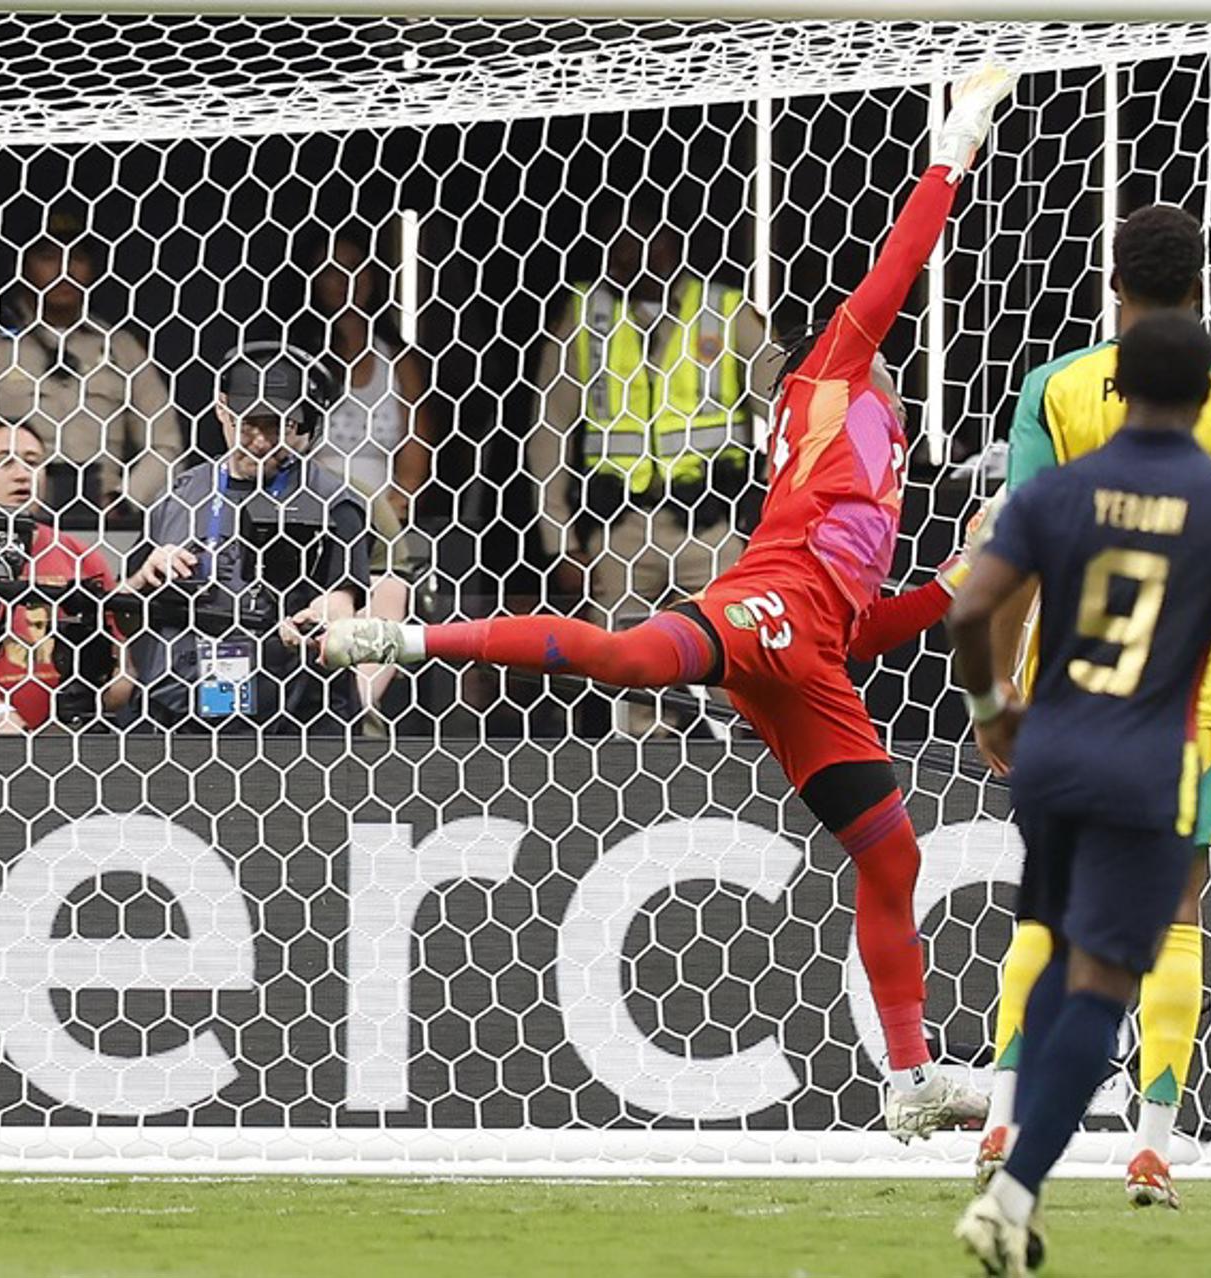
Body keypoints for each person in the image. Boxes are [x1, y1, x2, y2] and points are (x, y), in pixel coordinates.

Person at [315, 65, 1018, 1140]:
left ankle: (913, 1076)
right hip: (764, 602)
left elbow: (856, 629)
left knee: (894, 854)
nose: (847, 352)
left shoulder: (881, 459)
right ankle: (403, 636)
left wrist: (945, 590)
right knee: (635, 661)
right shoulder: (829, 378)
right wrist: (954, 149)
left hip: (812, 657)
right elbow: (899, 269)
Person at [948, 310, 1211, 1276]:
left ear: (1121, 388)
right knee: (1106, 985)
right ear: (1205, 396)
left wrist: (991, 705)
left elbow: (973, 605)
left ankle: (1010, 1149)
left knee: (1053, 955)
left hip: (1051, 757)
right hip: (1150, 766)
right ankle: (1021, 1196)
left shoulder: (1058, 489)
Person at [526, 198, 778, 628]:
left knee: (728, 665)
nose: (635, 251)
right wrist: (560, 542)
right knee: (621, 673)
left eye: (648, 236)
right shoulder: (587, 315)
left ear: (675, 242)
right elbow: (548, 431)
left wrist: (771, 522)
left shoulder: (725, 310)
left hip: (711, 525)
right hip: (620, 529)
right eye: (619, 241)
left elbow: (785, 414)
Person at [123, 343, 369, 732]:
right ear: (221, 408)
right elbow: (125, 606)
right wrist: (145, 577)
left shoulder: (333, 502)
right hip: (179, 716)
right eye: (249, 423)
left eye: (278, 425)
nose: (260, 441)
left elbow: (342, 599)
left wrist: (317, 622)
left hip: (296, 720)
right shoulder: (179, 495)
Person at [0, 210, 187, 515]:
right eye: (48, 256)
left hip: (98, 518)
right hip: (6, 514)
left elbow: (166, 446)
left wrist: (124, 500)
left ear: (93, 268)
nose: (64, 268)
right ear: (23, 265)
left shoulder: (122, 348)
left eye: (77, 257)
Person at [294, 227, 437, 720]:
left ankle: (364, 708)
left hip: (380, 514)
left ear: (374, 279)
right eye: (330, 270)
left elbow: (417, 446)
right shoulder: (299, 356)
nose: (344, 281)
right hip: (310, 511)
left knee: (383, 608)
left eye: (355, 268)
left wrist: (395, 502)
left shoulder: (397, 358)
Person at [0, 419, 135, 733]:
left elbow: (122, 667)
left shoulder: (80, 556)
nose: (21, 473)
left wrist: (83, 712)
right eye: (4, 461)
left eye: (32, 462)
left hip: (66, 747)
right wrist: (0, 716)